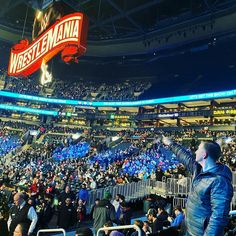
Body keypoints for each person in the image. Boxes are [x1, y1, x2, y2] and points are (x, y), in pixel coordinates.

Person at [162, 136, 233, 236]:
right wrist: (170, 144)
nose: (195, 151)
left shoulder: (220, 181)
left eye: (198, 149)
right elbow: (184, 156)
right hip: (188, 228)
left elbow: (218, 217)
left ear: (204, 155)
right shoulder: (199, 169)